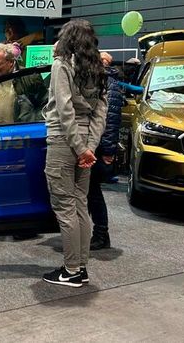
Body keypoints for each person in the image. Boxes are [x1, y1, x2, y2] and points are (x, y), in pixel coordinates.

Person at [42, 19, 107, 288]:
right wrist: (89, 147)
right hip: (85, 144)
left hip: (63, 141)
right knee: (80, 204)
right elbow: (100, 112)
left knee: (65, 208)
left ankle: (70, 271)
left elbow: (64, 109)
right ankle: (80, 267)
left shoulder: (62, 65)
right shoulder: (98, 69)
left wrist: (80, 148)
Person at [87, 57, 125, 250]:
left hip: (100, 148)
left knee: (93, 192)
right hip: (96, 146)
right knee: (89, 192)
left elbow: (110, 121)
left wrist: (108, 152)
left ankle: (101, 234)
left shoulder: (109, 85)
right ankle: (94, 233)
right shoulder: (102, 82)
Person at [0, 43, 47, 125]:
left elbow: (44, 104)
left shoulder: (30, 77)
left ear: (10, 62)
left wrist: (32, 123)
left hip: (21, 133)